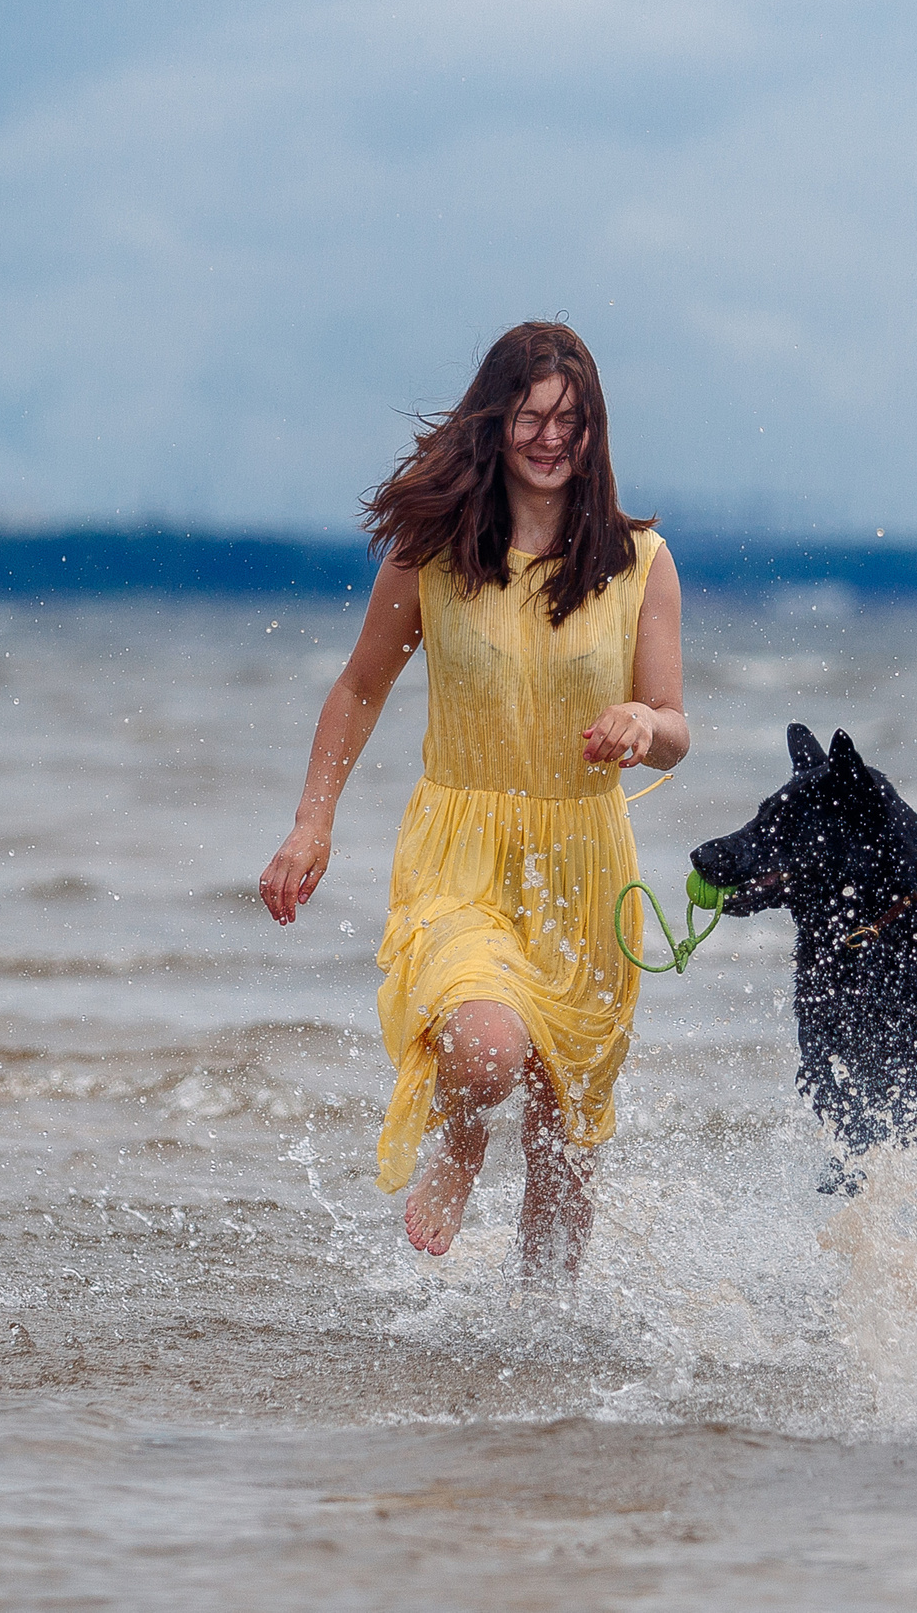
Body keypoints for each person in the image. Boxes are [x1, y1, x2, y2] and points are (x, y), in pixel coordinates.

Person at [257, 322, 687, 1276]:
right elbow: (359, 687)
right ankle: (459, 1140)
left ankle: (546, 1349)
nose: (550, 438)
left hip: (584, 873)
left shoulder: (639, 561)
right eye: (530, 417)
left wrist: (640, 722)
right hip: (463, 854)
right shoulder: (434, 553)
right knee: (485, 1049)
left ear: (595, 431)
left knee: (564, 1155)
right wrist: (312, 821)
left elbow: (675, 724)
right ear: (495, 422)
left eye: (570, 420)